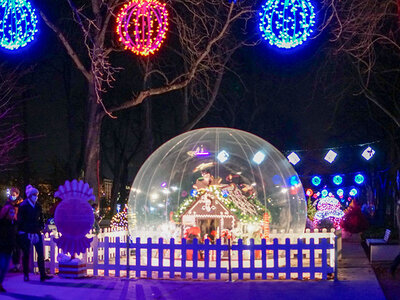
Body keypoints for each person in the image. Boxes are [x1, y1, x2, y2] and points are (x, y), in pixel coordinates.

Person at [17, 185, 52, 282]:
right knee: (26, 254)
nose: (36, 197)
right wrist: (21, 231)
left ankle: (43, 274)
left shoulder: (38, 206)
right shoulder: (23, 206)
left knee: (40, 253)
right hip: (26, 232)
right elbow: (20, 220)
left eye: (37, 195)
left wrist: (41, 227)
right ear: (29, 195)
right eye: (34, 195)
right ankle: (26, 274)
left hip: (36, 231)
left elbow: (41, 218)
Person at [0, 205, 18, 292]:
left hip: (9, 248)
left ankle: (0, 283)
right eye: (11, 212)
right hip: (2, 248)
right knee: (2, 266)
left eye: (13, 212)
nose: (12, 214)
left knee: (5, 267)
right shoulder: (2, 223)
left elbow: (14, 236)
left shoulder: (14, 223)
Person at [5, 187, 23, 272]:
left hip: (17, 226)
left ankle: (17, 265)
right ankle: (14, 264)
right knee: (11, 246)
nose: (12, 196)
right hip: (9, 227)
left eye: (14, 194)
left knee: (17, 246)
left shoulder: (21, 204)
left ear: (17, 194)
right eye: (11, 194)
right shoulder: (8, 203)